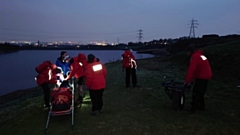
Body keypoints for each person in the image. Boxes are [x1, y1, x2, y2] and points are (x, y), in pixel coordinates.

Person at [184, 46, 212, 113]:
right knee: (201, 92)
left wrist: (187, 81)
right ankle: (201, 107)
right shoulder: (201, 55)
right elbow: (202, 66)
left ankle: (193, 108)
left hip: (202, 76)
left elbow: (191, 69)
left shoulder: (195, 57)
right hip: (206, 75)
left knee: (196, 92)